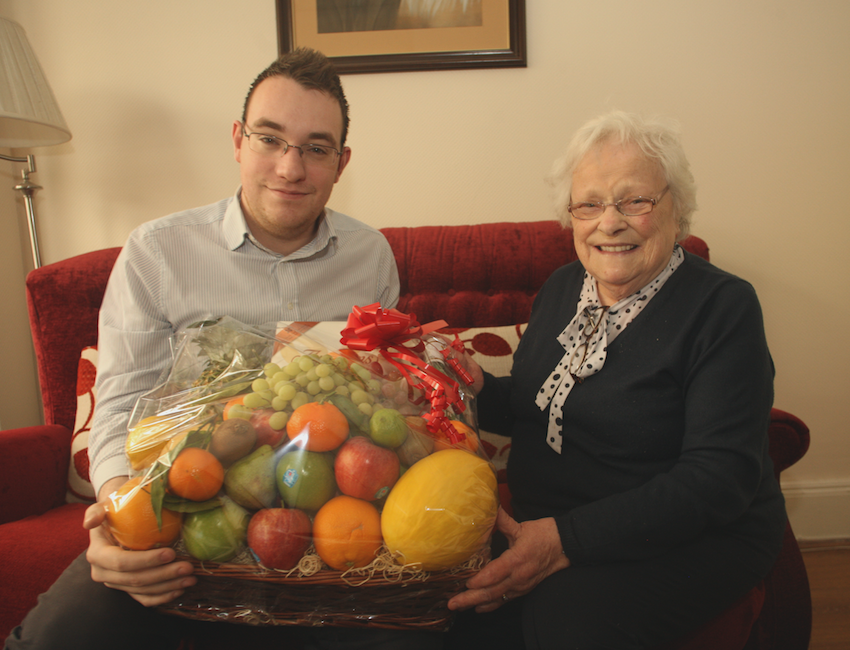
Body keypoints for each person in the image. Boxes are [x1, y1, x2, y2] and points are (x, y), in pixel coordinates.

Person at [5, 48, 441, 650]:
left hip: (326, 528)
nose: (290, 168)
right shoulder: (158, 253)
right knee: (55, 638)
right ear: (238, 140)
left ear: (341, 163)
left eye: (316, 148)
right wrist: (117, 515)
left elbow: (383, 391)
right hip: (181, 514)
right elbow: (121, 404)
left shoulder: (370, 258)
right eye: (270, 139)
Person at [445, 111, 787, 649]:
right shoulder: (562, 288)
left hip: (688, 535)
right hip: (550, 522)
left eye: (635, 201)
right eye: (590, 204)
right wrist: (478, 386)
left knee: (565, 621)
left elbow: (718, 478)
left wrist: (565, 541)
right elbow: (541, 405)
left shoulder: (723, 307)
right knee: (449, 609)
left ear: (678, 210)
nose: (610, 222)